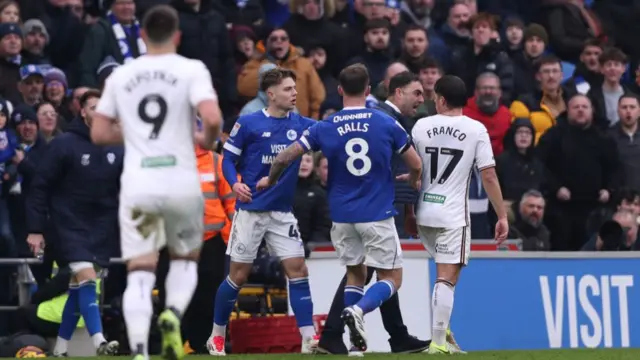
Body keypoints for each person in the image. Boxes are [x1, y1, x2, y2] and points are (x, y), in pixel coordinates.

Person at [258, 64, 423, 353]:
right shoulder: (384, 122)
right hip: (377, 214)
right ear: (369, 90)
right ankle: (358, 311)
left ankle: (351, 343)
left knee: (355, 275)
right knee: (392, 278)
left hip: (342, 216)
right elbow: (415, 163)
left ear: (339, 91)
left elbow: (285, 156)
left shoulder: (325, 126)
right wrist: (414, 178)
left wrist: (269, 178)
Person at [89, 5, 223, 360]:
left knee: (140, 270)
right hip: (180, 180)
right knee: (185, 261)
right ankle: (173, 313)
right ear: (178, 36)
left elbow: (99, 131)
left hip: (139, 183)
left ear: (142, 36)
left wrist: (133, 135)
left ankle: (138, 351)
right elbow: (211, 117)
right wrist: (204, 139)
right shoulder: (191, 69)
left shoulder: (123, 74)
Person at [316, 70, 429, 355]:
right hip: (374, 208)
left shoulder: (382, 118)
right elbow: (404, 168)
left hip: (358, 208)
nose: (421, 99)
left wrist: (408, 212)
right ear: (397, 92)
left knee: (369, 271)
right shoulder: (381, 119)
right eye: (416, 93)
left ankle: (395, 337)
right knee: (376, 273)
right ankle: (333, 332)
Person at [210, 67, 319, 356]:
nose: (294, 93)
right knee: (239, 276)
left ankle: (309, 339)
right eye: (287, 89)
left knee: (298, 270)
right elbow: (227, 160)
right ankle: (217, 336)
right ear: (271, 94)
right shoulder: (248, 123)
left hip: (282, 213)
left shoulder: (304, 125)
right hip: (250, 211)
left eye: (295, 88)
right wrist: (235, 184)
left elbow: (329, 132)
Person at [408, 75, 509, 354]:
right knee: (447, 278)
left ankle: (444, 331)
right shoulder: (475, 129)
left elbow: (413, 170)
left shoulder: (421, 125)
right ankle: (438, 343)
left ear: (440, 99)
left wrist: (408, 209)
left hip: (424, 211)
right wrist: (502, 215)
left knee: (449, 275)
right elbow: (487, 174)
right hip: (453, 215)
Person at [25, 89, 122, 357]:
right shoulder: (64, 144)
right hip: (68, 225)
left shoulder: (116, 145)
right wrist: (35, 229)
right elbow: (40, 187)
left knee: (78, 288)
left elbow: (126, 186)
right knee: (88, 280)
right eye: (93, 107)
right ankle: (99, 341)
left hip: (101, 227)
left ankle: (61, 348)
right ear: (82, 111)